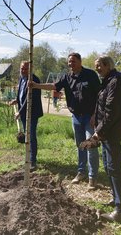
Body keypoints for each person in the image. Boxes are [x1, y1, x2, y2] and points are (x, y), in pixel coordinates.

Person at [30, 53, 101, 189]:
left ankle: (93, 177)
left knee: (91, 145)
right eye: (69, 62)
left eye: (73, 61)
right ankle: (81, 172)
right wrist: (36, 85)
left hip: (90, 117)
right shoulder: (67, 77)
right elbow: (54, 86)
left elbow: (99, 95)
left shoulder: (90, 75)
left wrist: (95, 115)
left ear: (80, 61)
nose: (71, 64)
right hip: (76, 117)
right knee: (80, 144)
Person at [81, 56, 121, 223]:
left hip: (112, 132)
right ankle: (116, 199)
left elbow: (111, 112)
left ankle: (120, 209)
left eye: (99, 66)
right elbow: (100, 102)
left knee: (114, 169)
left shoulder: (115, 82)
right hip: (106, 132)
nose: (97, 69)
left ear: (108, 65)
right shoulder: (107, 80)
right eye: (96, 67)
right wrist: (95, 117)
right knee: (109, 167)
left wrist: (97, 133)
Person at [10, 61, 43, 170]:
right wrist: (16, 101)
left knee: (31, 135)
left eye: (26, 69)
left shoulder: (34, 80)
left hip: (32, 113)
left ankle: (33, 161)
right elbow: (22, 96)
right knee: (27, 136)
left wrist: (19, 111)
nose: (23, 71)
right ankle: (28, 157)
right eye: (22, 68)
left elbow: (30, 99)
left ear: (31, 69)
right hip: (24, 112)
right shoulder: (21, 78)